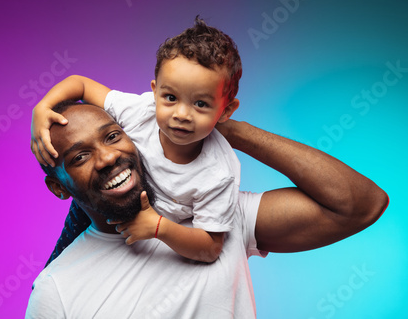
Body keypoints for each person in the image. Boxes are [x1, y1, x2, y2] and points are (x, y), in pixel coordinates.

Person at [25, 101, 387, 318]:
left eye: (113, 136)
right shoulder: (57, 289)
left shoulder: (214, 219)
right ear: (59, 188)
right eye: (80, 157)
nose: (107, 158)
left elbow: (360, 205)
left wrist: (225, 129)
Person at [31, 18, 243, 262]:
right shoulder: (142, 111)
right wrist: (44, 107)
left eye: (201, 104)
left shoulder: (218, 173)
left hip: (148, 223)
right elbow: (80, 84)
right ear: (155, 91)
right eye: (171, 97)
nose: (181, 114)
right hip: (100, 202)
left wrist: (159, 228)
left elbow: (211, 249)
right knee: (59, 262)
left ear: (226, 111)